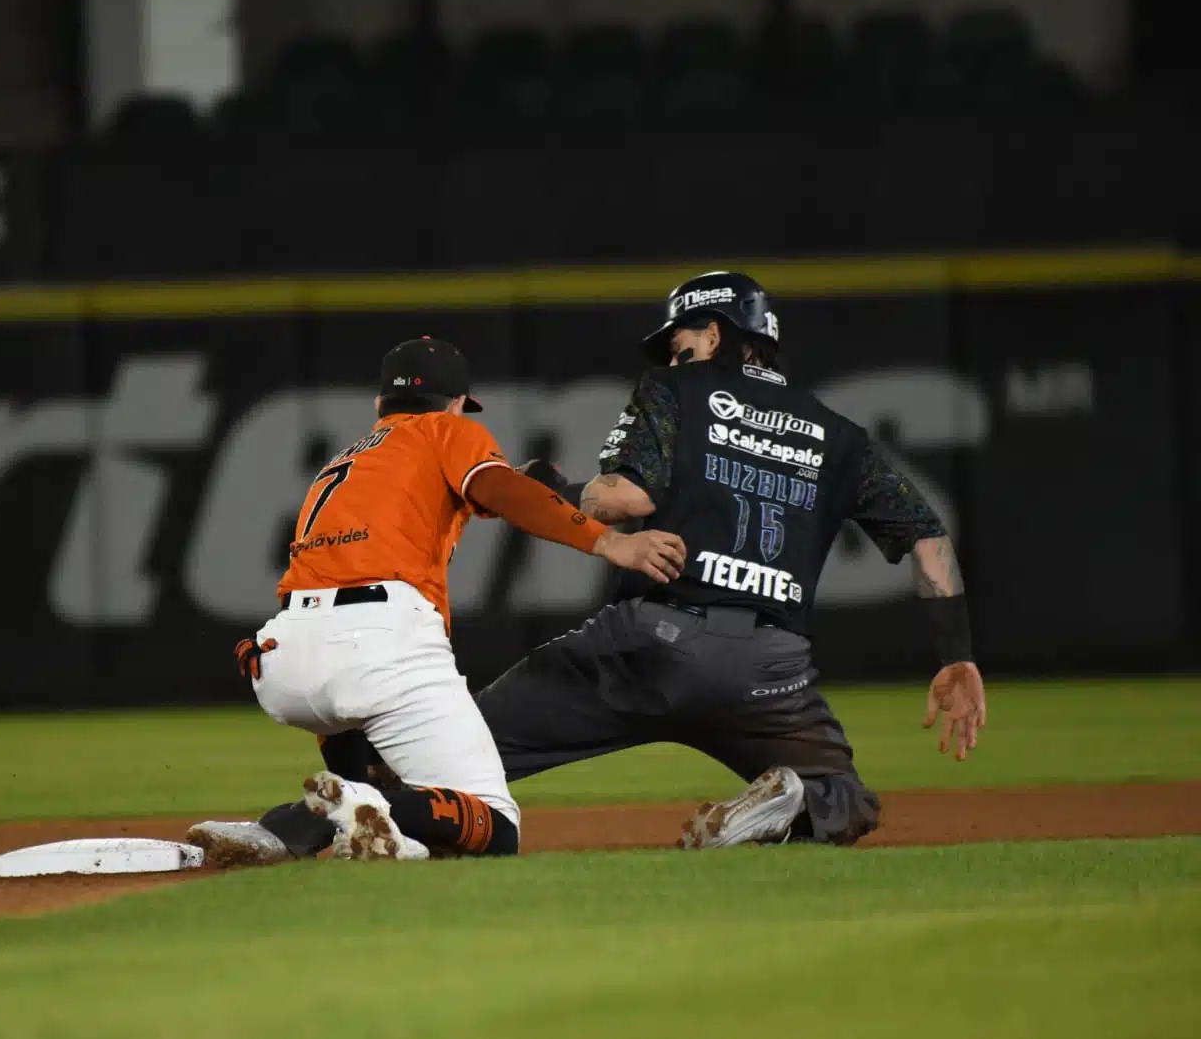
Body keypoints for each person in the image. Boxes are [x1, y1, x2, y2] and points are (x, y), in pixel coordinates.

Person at [192, 273, 986, 863]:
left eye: (682, 338)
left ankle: (290, 831)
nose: (673, 352)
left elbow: (624, 499)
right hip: (768, 669)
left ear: (714, 334)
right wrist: (956, 654)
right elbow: (928, 540)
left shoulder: (681, 390)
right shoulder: (838, 435)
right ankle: (787, 804)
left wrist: (560, 491)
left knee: (444, 764)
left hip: (643, 644)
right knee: (845, 799)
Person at [189, 336, 687, 865]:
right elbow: (498, 489)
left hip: (284, 657)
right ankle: (337, 808)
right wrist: (610, 541)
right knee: (494, 824)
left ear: (381, 405)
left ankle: (279, 833)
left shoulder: (350, 458)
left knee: (383, 792)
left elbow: (483, 490)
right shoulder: (448, 430)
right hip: (375, 645)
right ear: (455, 404)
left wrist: (534, 486)